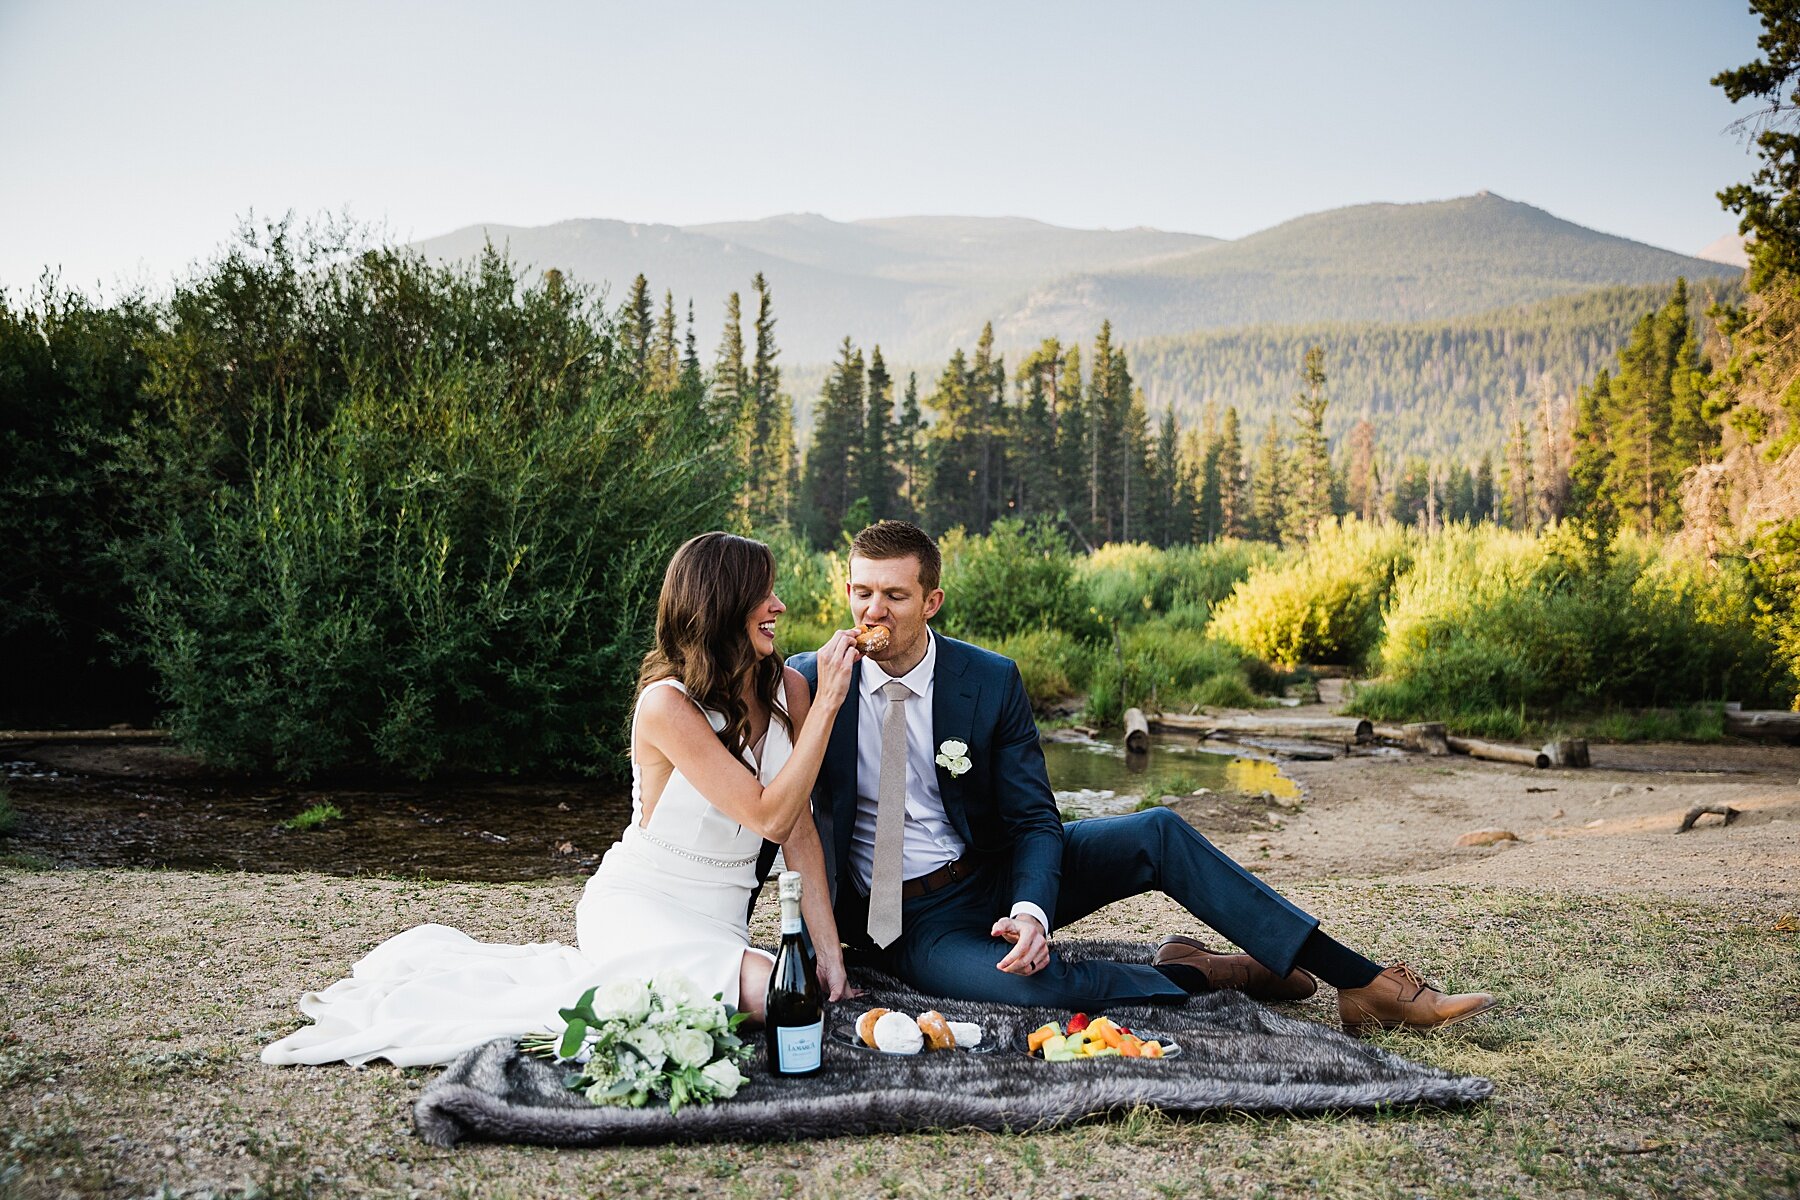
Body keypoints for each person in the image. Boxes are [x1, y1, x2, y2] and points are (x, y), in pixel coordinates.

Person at [783, 521, 1496, 1034]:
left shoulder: (989, 679)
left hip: (994, 873)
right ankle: (1211, 972)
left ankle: (1362, 983)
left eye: (895, 597)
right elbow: (778, 814)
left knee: (1157, 830)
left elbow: (1036, 821)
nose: (873, 612)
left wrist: (1031, 910)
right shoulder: (811, 683)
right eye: (863, 593)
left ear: (931, 601)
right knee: (1038, 991)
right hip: (906, 921)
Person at [263, 532, 861, 1067]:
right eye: (764, 594)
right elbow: (767, 814)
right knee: (774, 996)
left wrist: (831, 955)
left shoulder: (790, 689)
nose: (779, 606)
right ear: (722, 604)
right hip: (640, 906)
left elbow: (800, 829)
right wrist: (830, 707)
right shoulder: (667, 705)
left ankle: (718, 970)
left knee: (802, 985)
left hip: (720, 921)